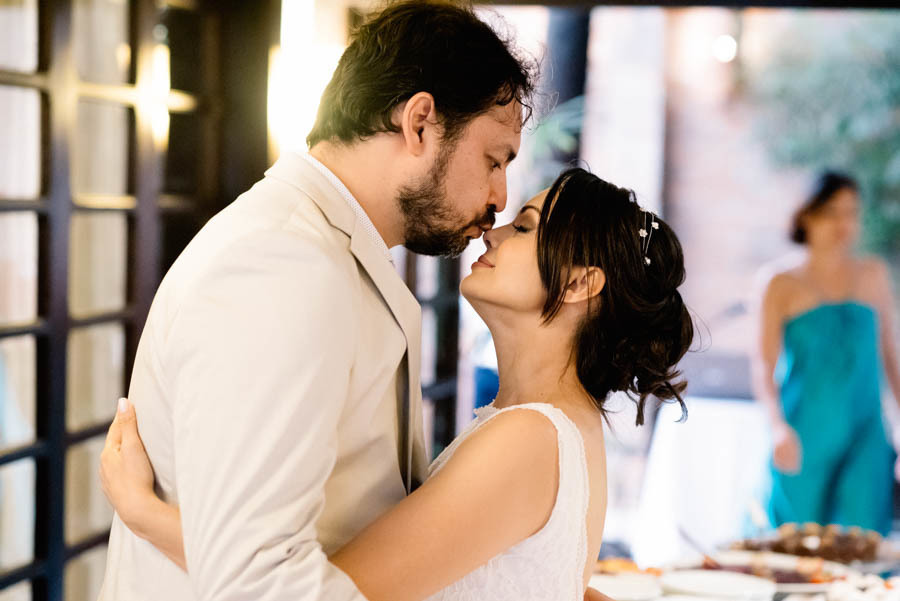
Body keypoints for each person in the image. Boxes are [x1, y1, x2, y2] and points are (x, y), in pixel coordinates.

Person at [97, 2, 535, 600]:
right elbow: (257, 582)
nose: (500, 197)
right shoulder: (281, 261)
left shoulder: (322, 250)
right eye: (493, 160)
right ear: (420, 122)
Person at [102, 167, 694, 600]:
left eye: (525, 227)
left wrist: (144, 512)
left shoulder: (532, 439)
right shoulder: (557, 426)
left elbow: (331, 593)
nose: (493, 232)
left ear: (580, 283)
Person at [753, 170, 900, 535]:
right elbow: (763, 367)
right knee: (794, 541)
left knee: (864, 541)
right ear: (807, 214)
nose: (843, 223)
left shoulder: (874, 274)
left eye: (851, 212)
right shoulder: (778, 283)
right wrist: (777, 428)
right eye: (832, 212)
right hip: (805, 432)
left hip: (865, 433)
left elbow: (891, 357)